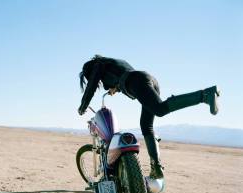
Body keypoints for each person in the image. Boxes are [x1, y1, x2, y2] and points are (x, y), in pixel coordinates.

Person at [78, 55, 220, 180]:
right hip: (148, 79)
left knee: (160, 109)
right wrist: (117, 87)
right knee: (146, 126)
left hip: (137, 82)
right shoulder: (111, 62)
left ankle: (205, 95)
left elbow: (91, 86)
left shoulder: (97, 65)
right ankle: (156, 168)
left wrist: (83, 106)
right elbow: (126, 75)